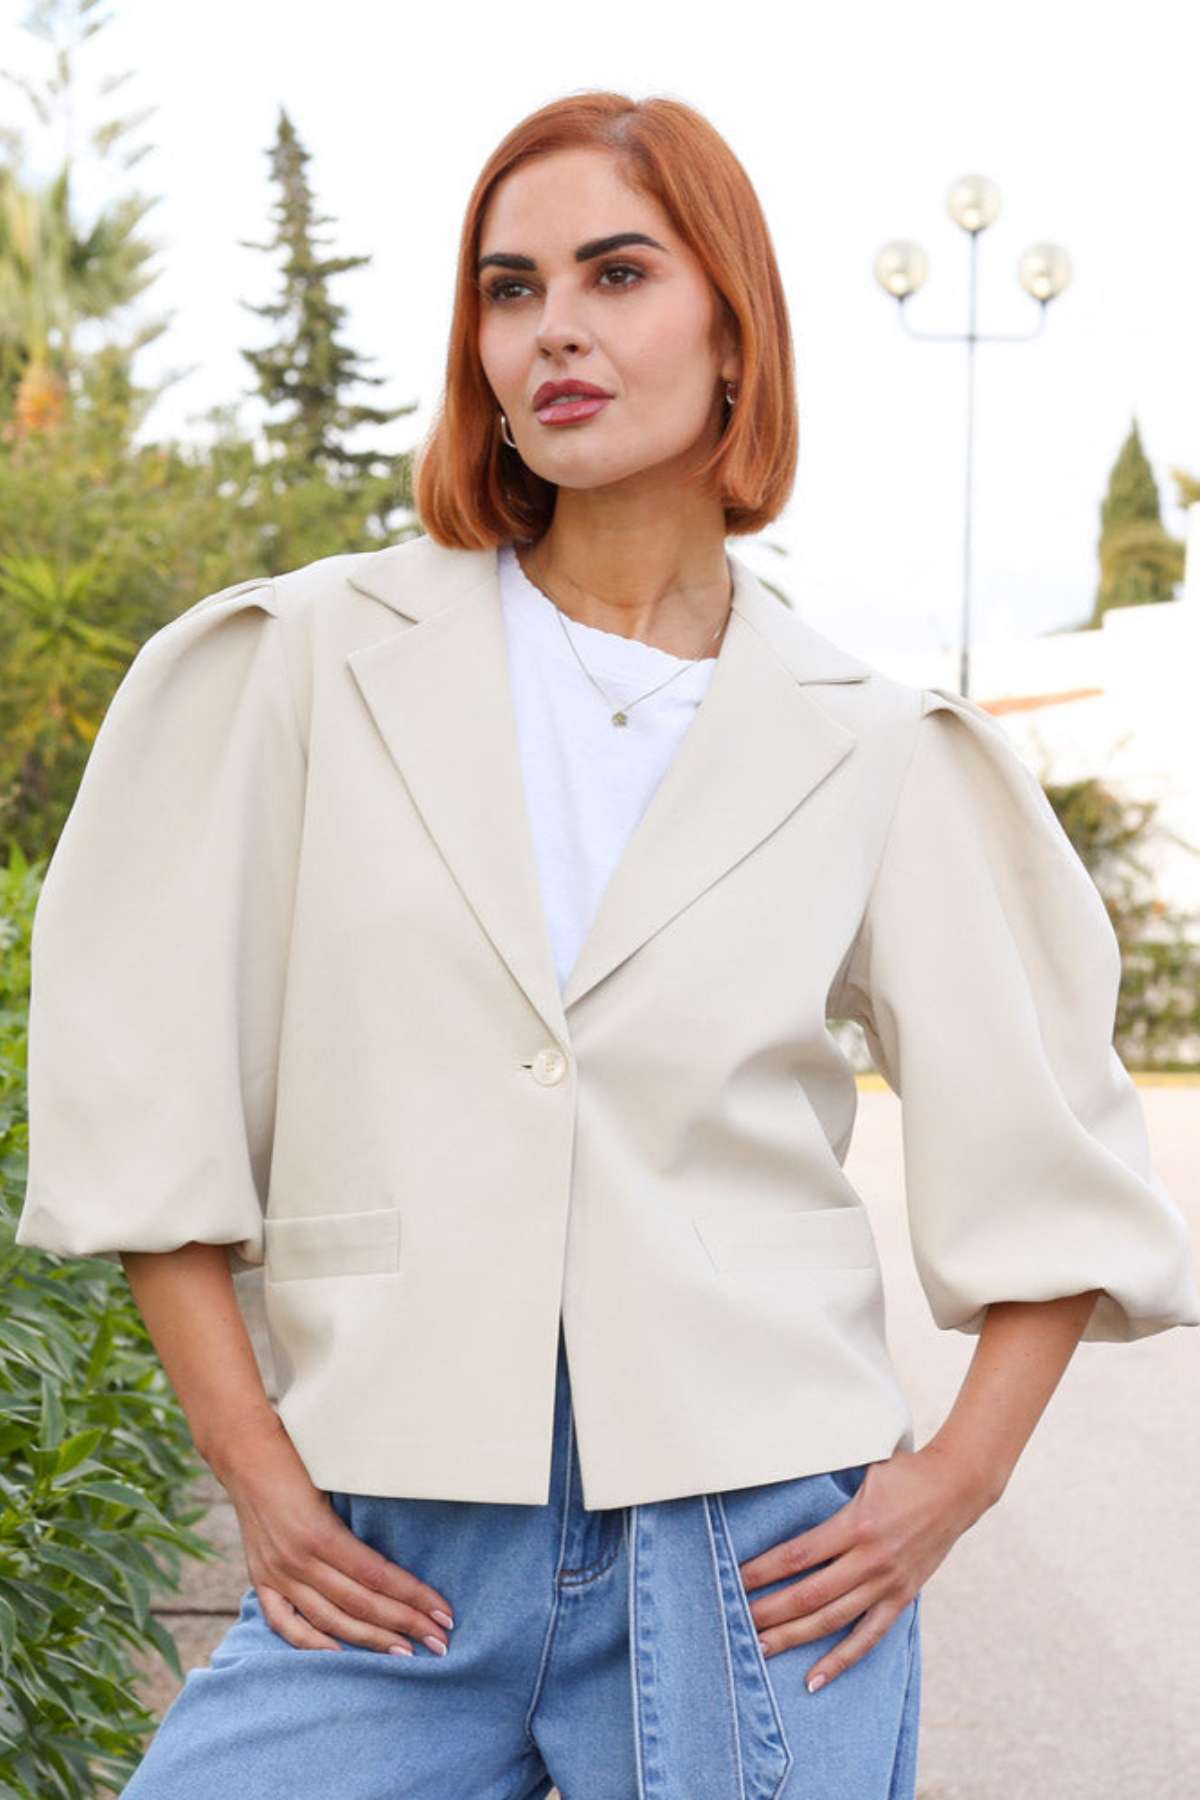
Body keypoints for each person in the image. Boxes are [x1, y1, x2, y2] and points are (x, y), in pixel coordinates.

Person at [15, 89, 1198, 1800]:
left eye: (617, 273)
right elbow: (147, 1091)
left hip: (757, 1560)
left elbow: (1058, 1165)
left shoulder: (874, 743)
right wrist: (255, 1471)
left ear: (735, 330)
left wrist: (951, 1487)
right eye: (508, 288)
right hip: (388, 1549)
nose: (552, 328)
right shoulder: (301, 662)